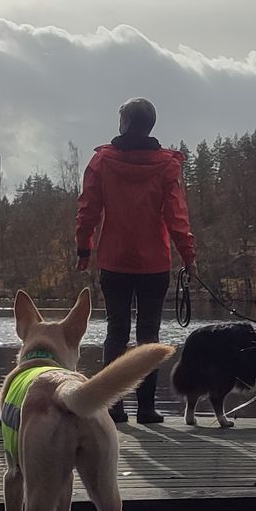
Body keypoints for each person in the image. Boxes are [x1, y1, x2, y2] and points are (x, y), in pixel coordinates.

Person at [75, 97, 196, 423]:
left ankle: (113, 407)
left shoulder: (102, 162)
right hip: (154, 264)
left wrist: (84, 248)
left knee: (116, 333)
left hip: (114, 261)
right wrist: (188, 255)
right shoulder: (167, 166)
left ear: (126, 123)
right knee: (149, 336)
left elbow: (88, 209)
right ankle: (146, 409)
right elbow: (177, 216)